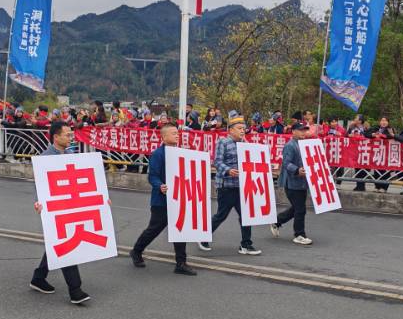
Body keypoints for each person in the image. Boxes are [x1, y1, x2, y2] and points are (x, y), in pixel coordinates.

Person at [30, 121, 91, 305]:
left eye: (71, 134)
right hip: (54, 208)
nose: (71, 137)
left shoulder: (71, 155)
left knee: (57, 243)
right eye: (67, 135)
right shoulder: (45, 158)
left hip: (69, 207)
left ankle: (38, 277)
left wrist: (99, 200)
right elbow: (40, 185)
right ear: (56, 137)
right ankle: (75, 289)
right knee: (66, 245)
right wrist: (39, 202)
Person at [129, 123, 198, 275]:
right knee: (154, 229)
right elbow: (152, 176)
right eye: (173, 133)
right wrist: (160, 185)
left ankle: (181, 263)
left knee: (180, 229)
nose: (177, 135)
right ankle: (136, 251)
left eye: (177, 133)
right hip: (161, 200)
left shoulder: (181, 152)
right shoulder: (158, 154)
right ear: (164, 137)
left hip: (178, 198)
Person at [198, 115, 262, 255]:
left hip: (242, 186)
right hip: (226, 186)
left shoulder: (245, 144)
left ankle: (246, 244)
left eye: (244, 128)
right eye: (239, 128)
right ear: (231, 130)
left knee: (246, 215)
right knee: (221, 215)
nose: (242, 131)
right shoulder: (224, 142)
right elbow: (217, 162)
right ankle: (203, 236)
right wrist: (228, 170)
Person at [271, 122, 312, 245]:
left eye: (304, 130)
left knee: (297, 208)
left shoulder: (304, 145)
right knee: (300, 209)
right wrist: (297, 170)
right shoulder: (290, 145)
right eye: (300, 130)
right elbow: (286, 163)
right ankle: (299, 234)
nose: (303, 132)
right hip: (292, 183)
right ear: (293, 131)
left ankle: (277, 221)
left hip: (302, 182)